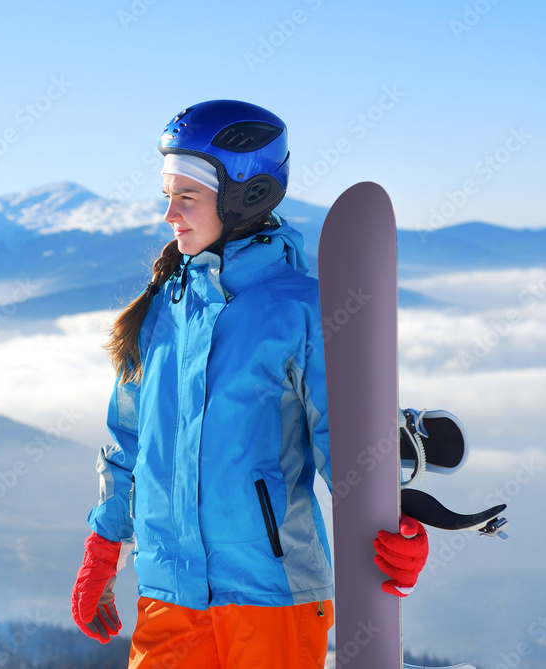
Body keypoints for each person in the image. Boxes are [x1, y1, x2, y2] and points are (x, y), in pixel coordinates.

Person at [70, 100, 429, 668]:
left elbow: (350, 445)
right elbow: (128, 443)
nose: (170, 214)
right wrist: (103, 545)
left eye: (186, 197)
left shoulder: (304, 310)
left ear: (246, 197)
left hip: (269, 596)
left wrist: (394, 526)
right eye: (167, 196)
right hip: (167, 594)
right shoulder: (161, 310)